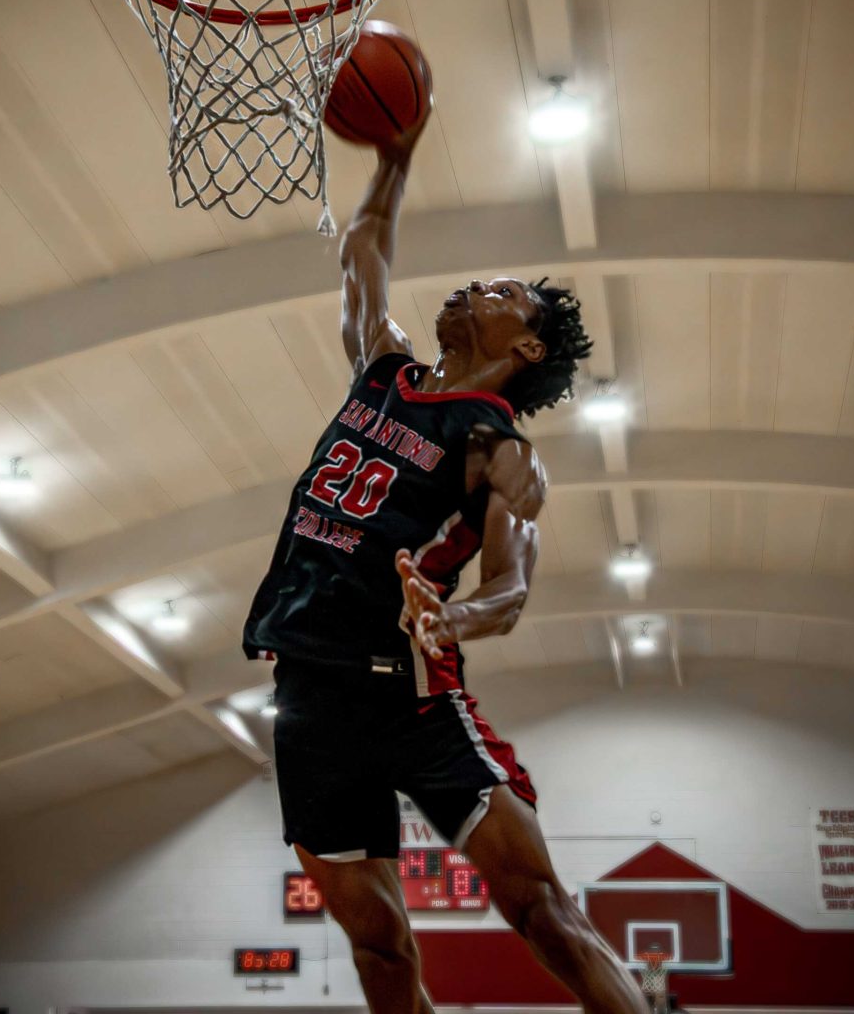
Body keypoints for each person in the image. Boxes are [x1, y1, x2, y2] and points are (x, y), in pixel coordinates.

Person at [242, 117, 647, 1014]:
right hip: (308, 695)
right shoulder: (382, 367)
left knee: (543, 910)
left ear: (528, 346)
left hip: (412, 694)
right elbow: (363, 249)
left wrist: (449, 618)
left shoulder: (498, 450)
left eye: (502, 290)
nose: (475, 285)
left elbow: (508, 591)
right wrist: (394, 158)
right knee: (381, 951)